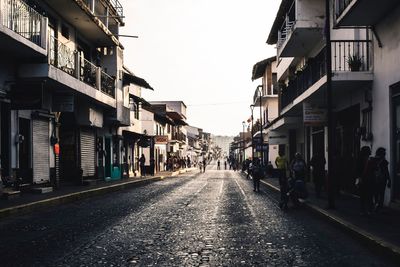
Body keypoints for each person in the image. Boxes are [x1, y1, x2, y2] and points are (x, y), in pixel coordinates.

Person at [364, 147, 391, 212]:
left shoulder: (375, 160)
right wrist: (389, 180)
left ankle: (377, 205)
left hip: (378, 179)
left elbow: (386, 172)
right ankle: (378, 206)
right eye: (384, 153)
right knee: (379, 194)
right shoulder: (380, 161)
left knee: (378, 193)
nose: (385, 154)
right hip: (379, 180)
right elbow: (386, 172)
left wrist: (389, 180)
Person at [357, 146, 372, 215]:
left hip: (367, 179)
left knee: (367, 195)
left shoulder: (369, 159)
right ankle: (364, 210)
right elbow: (358, 169)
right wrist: (359, 177)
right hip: (364, 179)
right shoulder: (361, 160)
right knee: (364, 195)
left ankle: (366, 210)